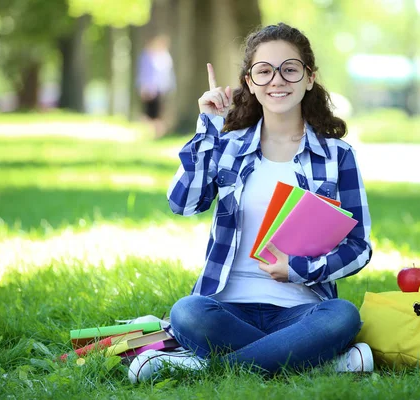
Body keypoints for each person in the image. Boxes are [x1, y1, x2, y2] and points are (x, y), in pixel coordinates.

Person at [128, 23, 373, 383]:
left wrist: (300, 269)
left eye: (290, 69)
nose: (277, 80)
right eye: (264, 71)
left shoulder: (337, 156)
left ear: (309, 78)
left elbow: (359, 248)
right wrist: (208, 126)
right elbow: (183, 202)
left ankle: (202, 368)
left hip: (301, 312)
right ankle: (315, 361)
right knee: (187, 313)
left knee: (343, 315)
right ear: (250, 82)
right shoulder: (227, 145)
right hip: (225, 309)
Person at [136, 35, 175, 138]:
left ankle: (157, 133)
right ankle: (155, 133)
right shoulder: (151, 56)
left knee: (154, 114)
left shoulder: (162, 57)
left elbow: (161, 76)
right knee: (150, 114)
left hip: (157, 90)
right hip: (155, 89)